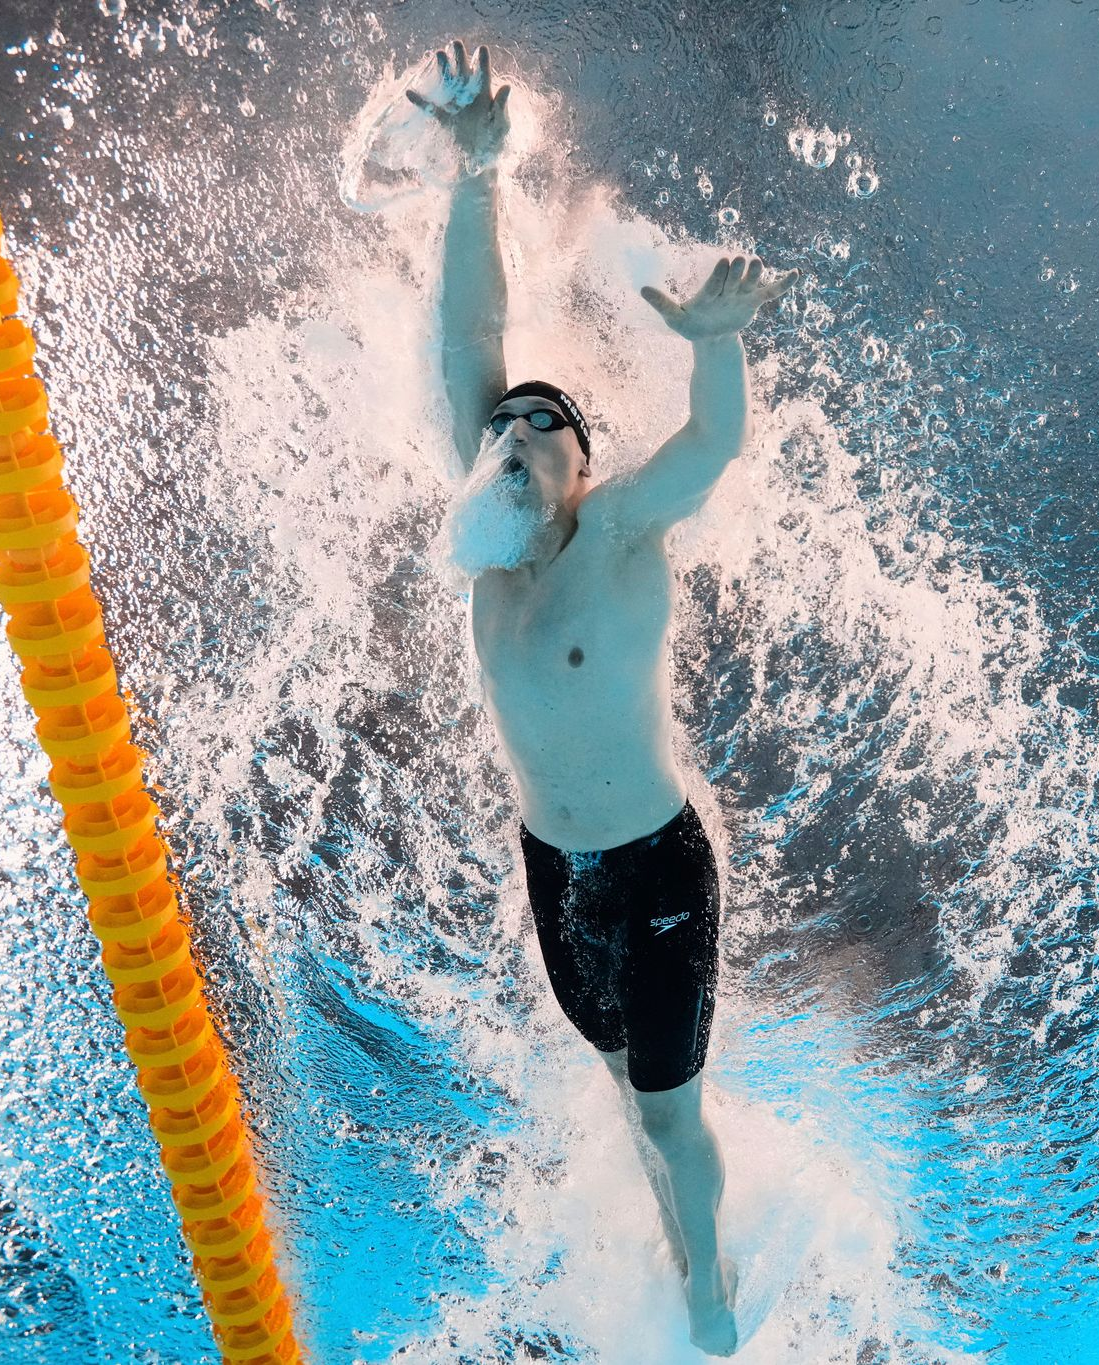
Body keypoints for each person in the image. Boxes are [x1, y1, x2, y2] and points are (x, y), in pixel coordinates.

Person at [410, 41, 790, 1356]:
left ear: (582, 470)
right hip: (553, 865)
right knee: (631, 1095)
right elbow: (471, 334)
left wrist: (722, 346)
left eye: (544, 432)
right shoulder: (490, 541)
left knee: (675, 1114)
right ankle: (672, 1217)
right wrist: (472, 170)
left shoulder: (615, 538)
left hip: (654, 862)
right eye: (500, 430)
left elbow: (712, 447)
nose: (513, 437)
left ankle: (708, 1286)